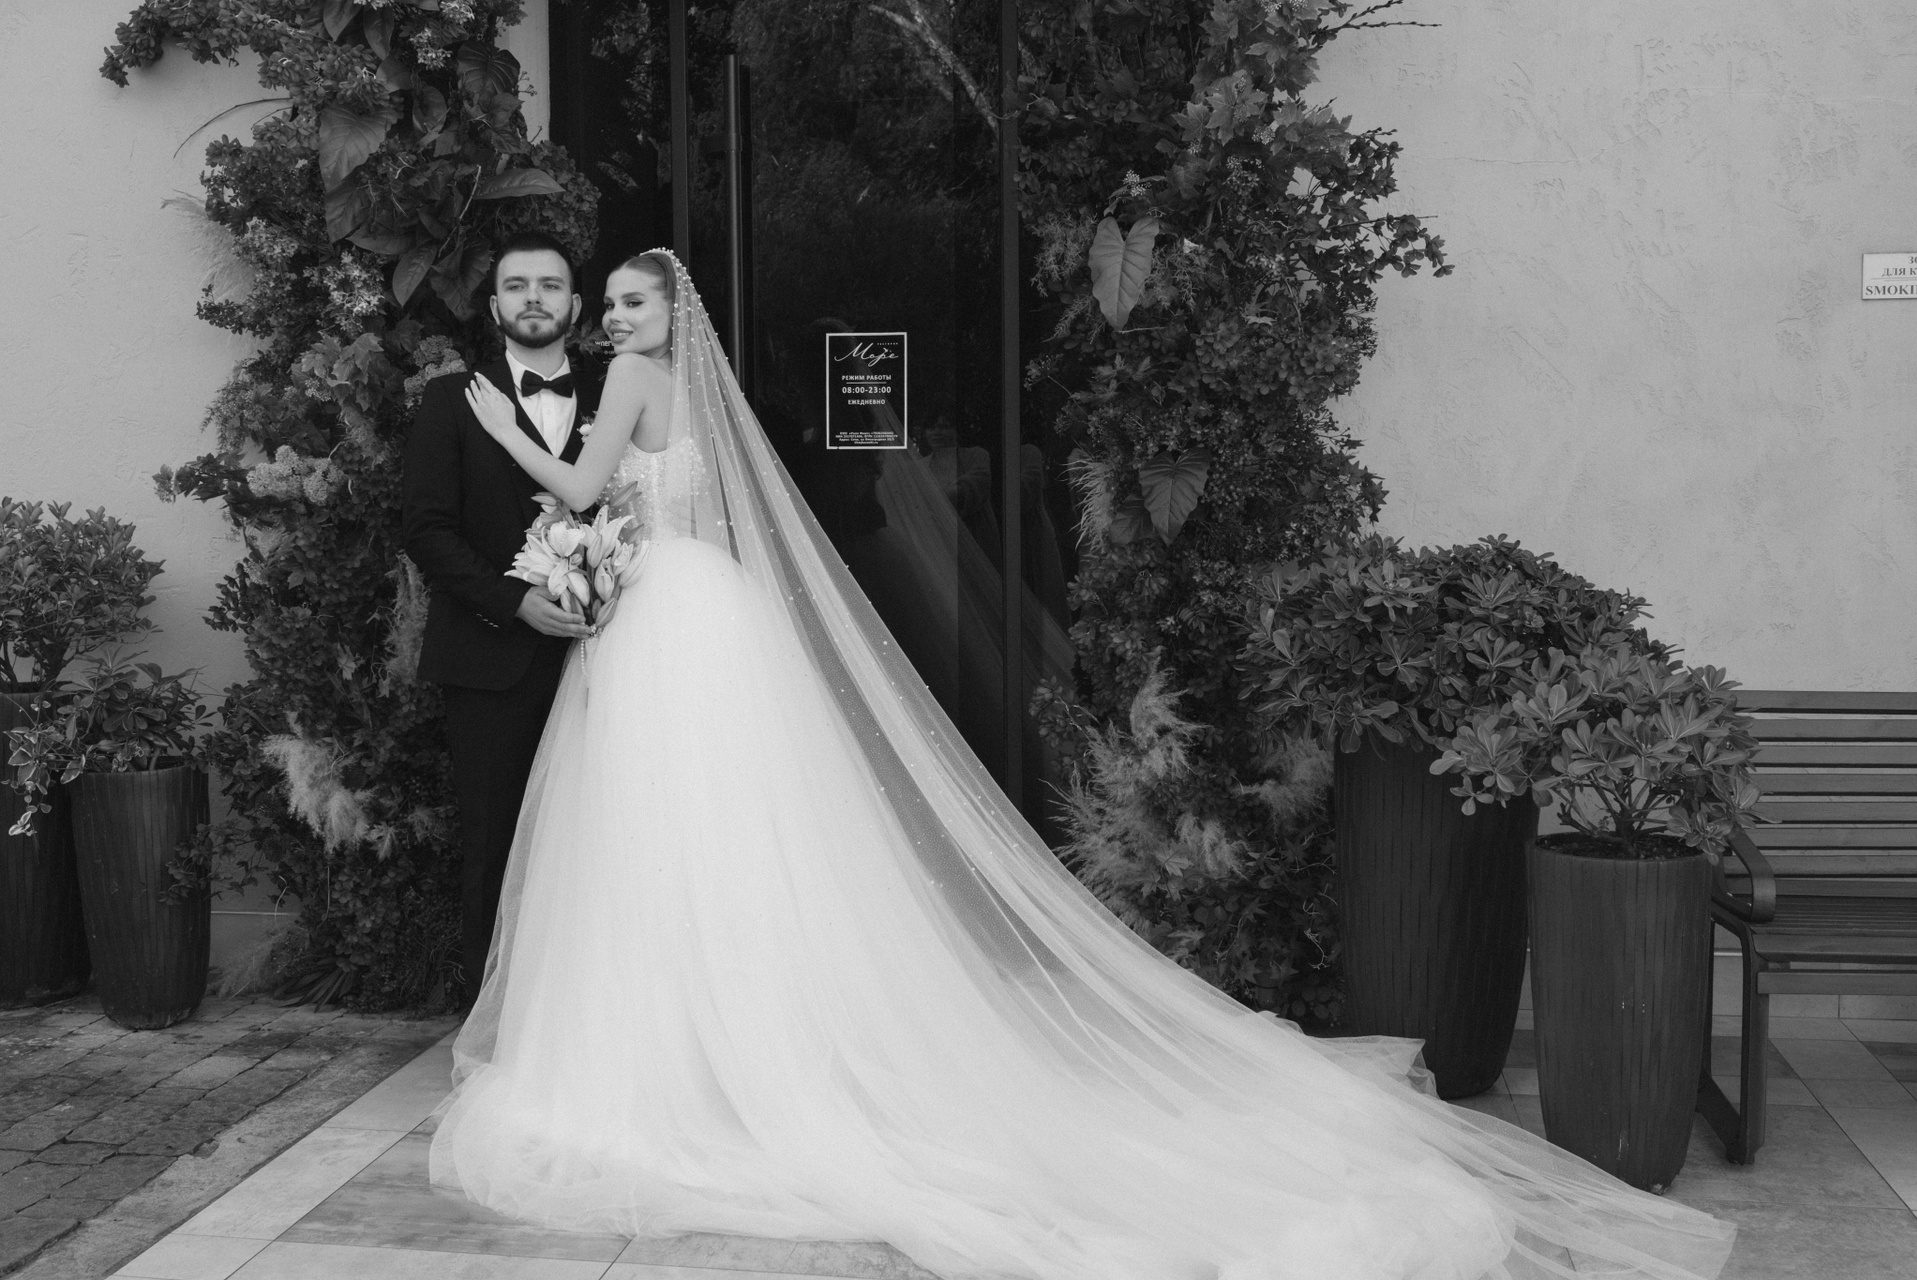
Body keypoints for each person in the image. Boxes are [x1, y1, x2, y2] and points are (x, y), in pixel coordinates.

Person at [426, 250, 1735, 1280]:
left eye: (629, 301)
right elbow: (680, 513)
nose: (614, 315)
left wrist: (500, 428)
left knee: (658, 840)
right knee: (725, 839)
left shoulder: (628, 384)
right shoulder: (696, 401)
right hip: (705, 608)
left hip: (659, 623)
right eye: (610, 301)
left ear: (665, 318)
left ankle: (682, 1061)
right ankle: (732, 1047)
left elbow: (581, 489)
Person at [400, 230, 598, 1007]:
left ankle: (589, 1012)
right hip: (490, 660)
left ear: (575, 304)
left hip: (606, 657)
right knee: (494, 843)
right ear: (493, 307)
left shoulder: (617, 397)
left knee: (604, 835)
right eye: (518, 286)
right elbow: (427, 529)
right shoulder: (452, 401)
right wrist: (514, 601)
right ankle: (495, 1023)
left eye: (550, 285)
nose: (534, 299)